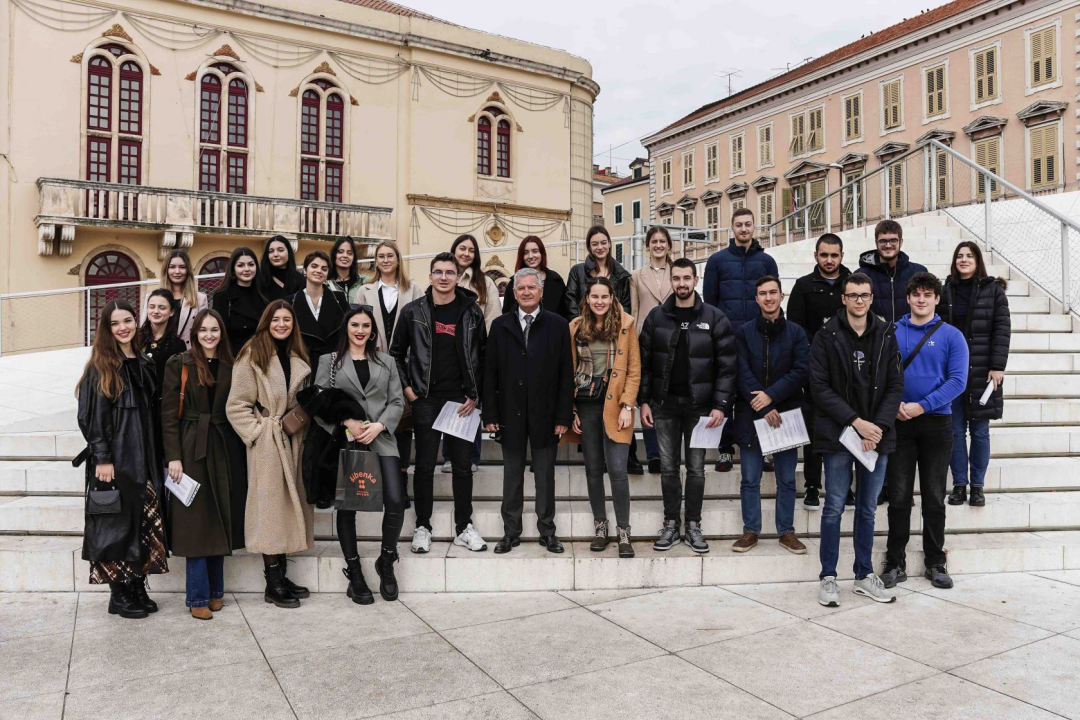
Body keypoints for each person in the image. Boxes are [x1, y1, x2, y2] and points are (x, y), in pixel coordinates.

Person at [810, 273, 903, 607]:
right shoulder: (826, 335)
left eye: (864, 295)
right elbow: (819, 387)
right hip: (840, 434)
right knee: (834, 505)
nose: (859, 301)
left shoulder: (886, 334)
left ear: (871, 298)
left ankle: (864, 575)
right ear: (844, 299)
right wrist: (856, 422)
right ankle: (828, 577)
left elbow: (895, 385)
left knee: (867, 508)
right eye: (853, 295)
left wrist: (875, 427)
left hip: (875, 436)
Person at [389, 253, 489, 555]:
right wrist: (408, 389)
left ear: (458, 277)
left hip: (461, 401)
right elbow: (395, 353)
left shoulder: (472, 312)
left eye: (449, 272)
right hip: (426, 399)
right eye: (438, 272)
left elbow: (482, 357)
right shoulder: (413, 311)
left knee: (461, 467)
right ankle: (423, 527)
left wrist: (476, 394)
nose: (443, 277)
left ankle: (464, 528)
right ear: (430, 276)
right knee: (424, 467)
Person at [75, 300, 167, 619]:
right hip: (114, 464)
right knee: (114, 527)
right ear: (107, 328)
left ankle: (136, 584)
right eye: (115, 323)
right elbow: (91, 416)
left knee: (144, 525)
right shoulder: (100, 366)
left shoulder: (144, 363)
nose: (123, 327)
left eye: (128, 320)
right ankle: (118, 592)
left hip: (146, 462)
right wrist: (102, 457)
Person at [639, 258, 735, 554]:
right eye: (676, 278)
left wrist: (720, 405)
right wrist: (643, 401)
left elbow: (727, 366)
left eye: (686, 278)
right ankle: (670, 523)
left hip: (700, 408)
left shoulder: (715, 317)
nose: (681, 283)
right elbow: (643, 364)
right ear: (671, 280)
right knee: (668, 468)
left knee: (695, 469)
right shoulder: (656, 317)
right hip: (664, 406)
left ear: (696, 280)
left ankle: (693, 524)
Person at [882, 273, 968, 590]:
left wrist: (923, 405)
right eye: (916, 294)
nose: (921, 299)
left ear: (936, 299)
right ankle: (894, 562)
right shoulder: (891, 332)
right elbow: (883, 374)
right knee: (900, 497)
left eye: (927, 294)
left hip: (936, 424)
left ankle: (935, 561)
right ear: (907, 298)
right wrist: (897, 405)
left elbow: (957, 381)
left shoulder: (951, 336)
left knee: (934, 497)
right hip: (900, 422)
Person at [226, 300, 314, 609]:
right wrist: (259, 433)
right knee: (271, 511)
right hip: (268, 444)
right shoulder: (253, 354)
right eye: (275, 319)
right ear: (266, 322)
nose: (281, 324)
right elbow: (236, 405)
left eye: (287, 319)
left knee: (288, 509)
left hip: (293, 442)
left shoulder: (297, 356)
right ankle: (272, 583)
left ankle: (283, 575)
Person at [315, 307, 406, 603]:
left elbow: (396, 401)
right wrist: (346, 422)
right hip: (348, 441)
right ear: (346, 328)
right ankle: (354, 573)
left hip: (382, 439)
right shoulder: (329, 362)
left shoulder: (387, 361)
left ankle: (386, 560)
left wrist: (380, 425)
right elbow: (318, 405)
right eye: (355, 324)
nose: (360, 330)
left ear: (373, 331)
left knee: (395, 499)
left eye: (366, 325)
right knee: (348, 506)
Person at [160, 309, 247, 620]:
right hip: (190, 445)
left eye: (214, 329)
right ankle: (197, 597)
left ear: (221, 332)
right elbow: (169, 414)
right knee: (195, 523)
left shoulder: (233, 364)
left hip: (224, 447)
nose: (209, 335)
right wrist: (173, 456)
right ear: (194, 333)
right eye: (203, 330)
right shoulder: (179, 363)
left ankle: (215, 593)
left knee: (219, 516)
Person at [483, 268, 574, 554]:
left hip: (546, 414)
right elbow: (490, 374)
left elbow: (565, 375)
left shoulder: (558, 325)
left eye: (531, 287)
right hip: (510, 414)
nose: (525, 292)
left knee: (545, 476)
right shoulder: (500, 326)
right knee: (512, 476)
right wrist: (491, 415)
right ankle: (511, 532)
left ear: (541, 291)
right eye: (520, 288)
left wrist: (563, 416)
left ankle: (548, 531)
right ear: (512, 293)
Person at [563, 277, 641, 558]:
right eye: (594, 296)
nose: (599, 301)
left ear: (612, 298)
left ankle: (623, 532)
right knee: (593, 470)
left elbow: (634, 369)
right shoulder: (574, 328)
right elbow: (567, 371)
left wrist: (627, 405)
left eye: (604, 297)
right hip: (586, 405)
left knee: (618, 471)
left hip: (617, 406)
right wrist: (571, 409)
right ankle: (600, 528)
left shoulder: (625, 325)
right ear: (587, 299)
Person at [732, 276, 810, 555]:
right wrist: (763, 405)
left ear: (781, 295)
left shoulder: (796, 333)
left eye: (773, 292)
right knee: (750, 478)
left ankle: (786, 531)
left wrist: (772, 396)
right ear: (756, 299)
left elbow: (801, 370)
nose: (768, 298)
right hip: (752, 414)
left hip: (785, 415)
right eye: (762, 293)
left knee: (787, 479)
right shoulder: (743, 332)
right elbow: (741, 371)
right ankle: (750, 530)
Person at [701, 207, 778, 472]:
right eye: (738, 225)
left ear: (754, 226)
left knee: (759, 391)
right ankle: (725, 449)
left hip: (760, 337)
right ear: (731, 228)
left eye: (748, 224)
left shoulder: (767, 261)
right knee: (726, 394)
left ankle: (764, 447)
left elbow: (774, 300)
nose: (743, 229)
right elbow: (709, 303)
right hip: (727, 337)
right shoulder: (717, 261)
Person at [939, 242, 1010, 507]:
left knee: (980, 431)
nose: (964, 259)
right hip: (952, 373)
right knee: (955, 431)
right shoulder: (945, 291)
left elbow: (1001, 330)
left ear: (978, 260)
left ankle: (977, 486)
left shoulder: (994, 291)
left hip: (983, 371)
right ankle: (959, 484)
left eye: (969, 256)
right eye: (959, 255)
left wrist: (998, 366)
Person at [565, 226, 640, 473]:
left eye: (603, 242)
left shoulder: (621, 273)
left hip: (614, 335)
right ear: (589, 246)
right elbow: (572, 302)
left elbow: (625, 306)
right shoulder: (578, 271)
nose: (600, 247)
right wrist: (588, 328)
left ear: (609, 244)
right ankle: (596, 453)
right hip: (587, 335)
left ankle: (626, 455)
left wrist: (613, 329)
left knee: (618, 395)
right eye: (595, 243)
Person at [786, 234, 852, 508]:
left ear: (841, 256)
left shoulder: (853, 284)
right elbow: (795, 329)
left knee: (847, 428)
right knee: (814, 428)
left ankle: (845, 488)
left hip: (848, 371)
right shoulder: (802, 286)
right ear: (816, 255)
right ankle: (812, 485)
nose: (829, 260)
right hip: (815, 370)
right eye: (824, 255)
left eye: (834, 255)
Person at [360, 240, 424, 478]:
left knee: (403, 421)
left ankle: (401, 475)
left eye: (390, 256)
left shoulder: (414, 290)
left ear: (398, 260)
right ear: (375, 261)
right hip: (373, 363)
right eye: (381, 256)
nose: (385, 260)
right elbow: (356, 328)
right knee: (375, 417)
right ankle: (377, 476)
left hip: (403, 365)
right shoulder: (364, 290)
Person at [443, 234, 500, 472]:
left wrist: (484, 351)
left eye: (471, 250)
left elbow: (492, 319)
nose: (466, 253)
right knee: (450, 403)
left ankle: (472, 456)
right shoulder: (445, 278)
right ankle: (449, 456)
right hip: (448, 353)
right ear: (454, 251)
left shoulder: (484, 283)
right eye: (461, 248)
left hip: (475, 352)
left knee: (472, 402)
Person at [630, 226, 674, 474]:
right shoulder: (636, 276)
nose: (658, 245)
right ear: (647, 246)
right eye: (654, 241)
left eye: (662, 241)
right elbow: (635, 311)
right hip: (646, 340)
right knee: (646, 397)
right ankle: (653, 454)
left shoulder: (677, 272)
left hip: (673, 339)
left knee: (667, 398)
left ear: (668, 245)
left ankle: (668, 450)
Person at [139, 289, 187, 462]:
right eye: (152, 307)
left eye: (162, 307)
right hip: (139, 409)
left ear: (171, 311)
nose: (156, 311)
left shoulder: (177, 345)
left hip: (165, 411)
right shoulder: (136, 339)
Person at [854, 219, 929, 325]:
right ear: (876, 243)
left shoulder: (919, 272)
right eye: (883, 241)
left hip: (910, 337)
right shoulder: (861, 275)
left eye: (893, 240)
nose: (888, 245)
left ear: (901, 242)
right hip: (874, 338)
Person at [287, 250, 349, 374]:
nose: (319, 271)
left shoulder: (340, 300)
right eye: (314, 266)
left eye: (324, 268)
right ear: (304, 270)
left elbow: (347, 333)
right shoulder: (290, 302)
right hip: (301, 365)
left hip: (333, 366)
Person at [143, 249, 208, 348]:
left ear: (188, 270)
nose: (177, 271)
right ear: (166, 270)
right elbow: (144, 326)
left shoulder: (200, 299)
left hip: (187, 355)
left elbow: (204, 330)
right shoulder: (151, 297)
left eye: (182, 267)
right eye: (172, 267)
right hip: (157, 352)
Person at [212, 247, 267, 356]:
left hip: (263, 354)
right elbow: (220, 331)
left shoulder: (265, 293)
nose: (247, 269)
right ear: (233, 269)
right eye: (240, 265)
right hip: (234, 356)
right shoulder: (222, 296)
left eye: (251, 264)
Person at [502, 235, 569, 318]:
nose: (530, 256)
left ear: (542, 253)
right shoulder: (513, 283)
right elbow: (507, 315)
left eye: (535, 251)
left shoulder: (556, 281)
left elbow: (565, 313)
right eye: (526, 252)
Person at [257, 235, 305, 302]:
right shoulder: (260, 279)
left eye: (280, 250)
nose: (275, 254)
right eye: (271, 251)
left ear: (289, 252)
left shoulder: (300, 280)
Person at [327, 236, 366, 304]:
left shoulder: (364, 282)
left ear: (353, 257)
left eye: (349, 253)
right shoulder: (325, 284)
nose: (345, 256)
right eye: (340, 252)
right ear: (334, 255)